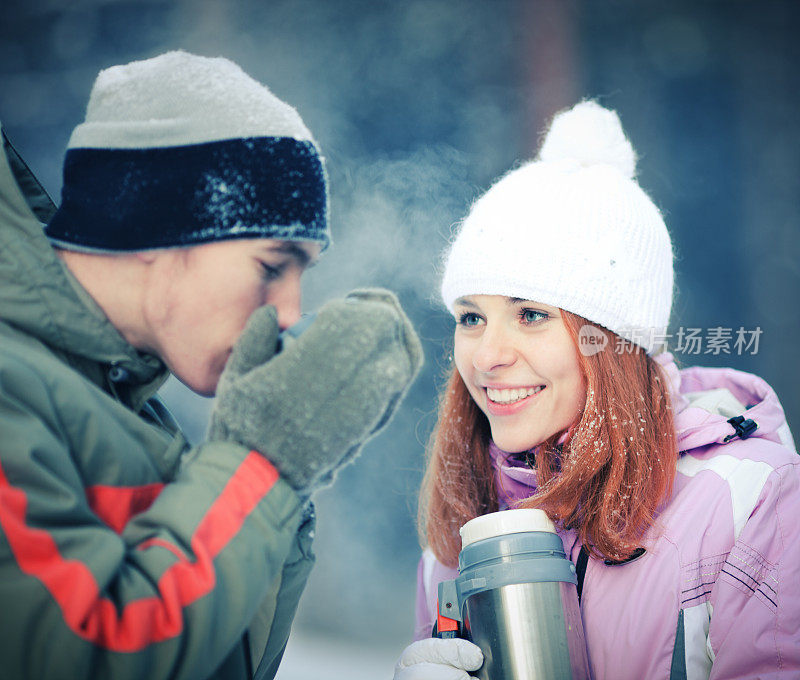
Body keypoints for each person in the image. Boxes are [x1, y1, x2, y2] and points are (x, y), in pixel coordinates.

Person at [0, 51, 422, 680]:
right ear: (151, 224)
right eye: (271, 266)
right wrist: (262, 460)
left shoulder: (132, 411)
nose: (289, 312)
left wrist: (264, 479)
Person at [394, 101, 800, 679]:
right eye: (470, 317)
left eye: (530, 314)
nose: (487, 356)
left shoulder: (753, 501)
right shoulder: (460, 543)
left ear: (608, 340)